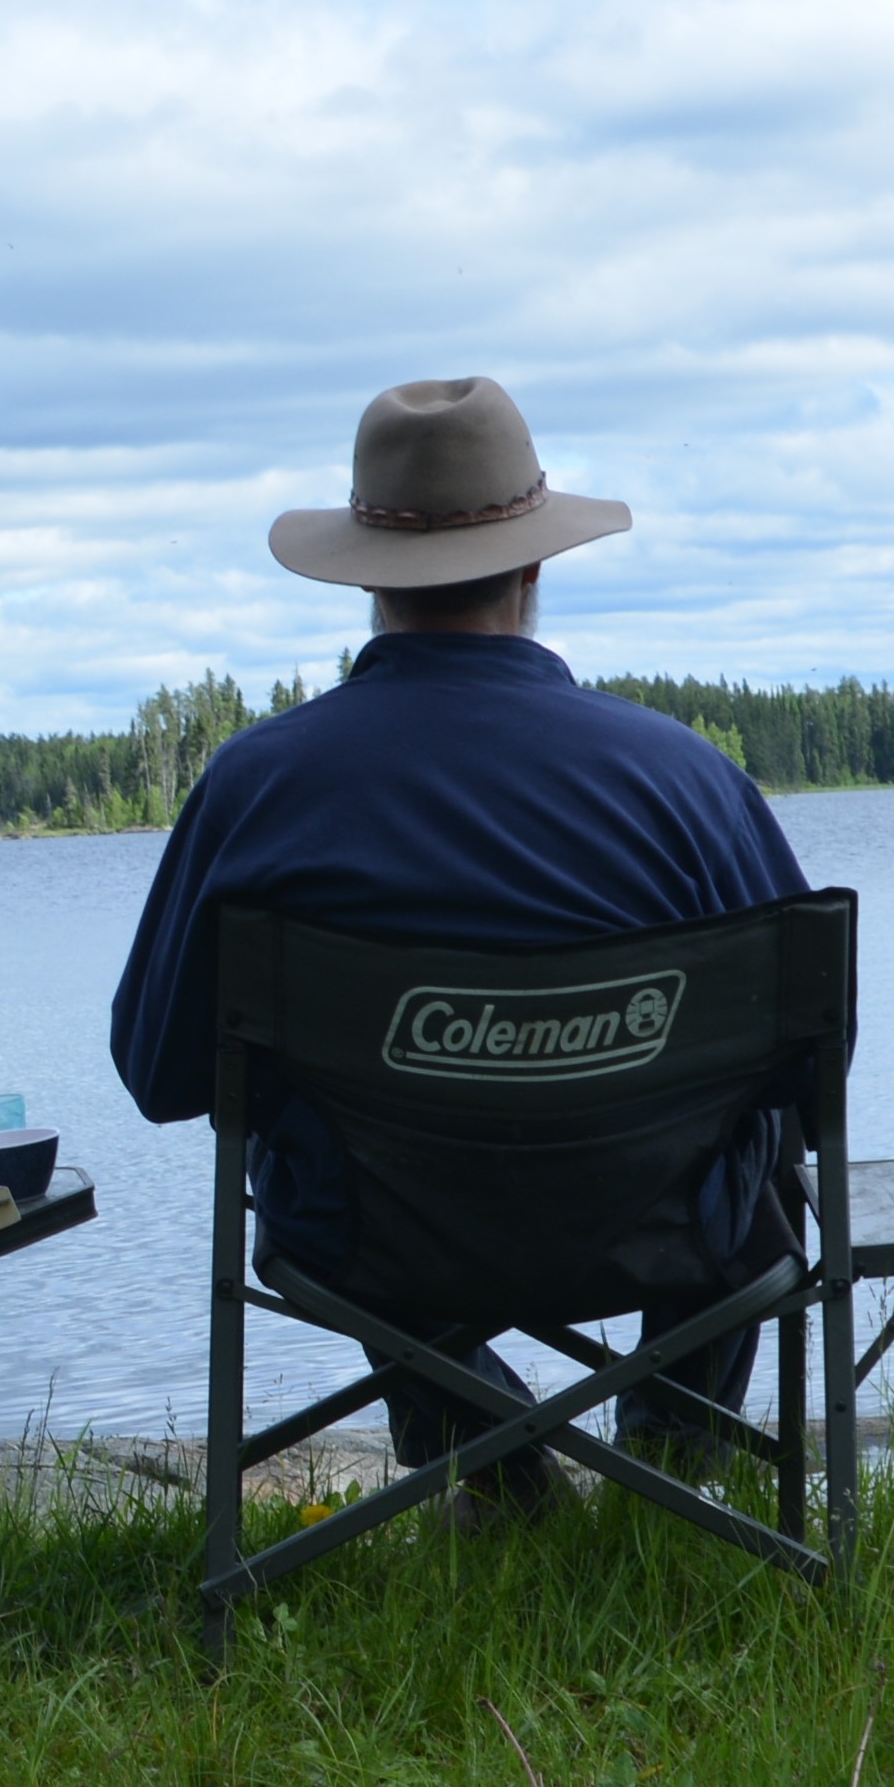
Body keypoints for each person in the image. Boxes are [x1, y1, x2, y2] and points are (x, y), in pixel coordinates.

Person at [104, 376, 811, 1509]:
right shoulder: (684, 777)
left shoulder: (256, 787)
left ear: (366, 576)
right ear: (533, 569)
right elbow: (814, 1063)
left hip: (372, 1241)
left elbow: (161, 1074)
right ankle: (673, 1469)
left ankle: (489, 1459)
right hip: (664, 1225)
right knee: (754, 1133)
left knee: (340, 1141)